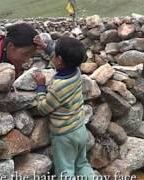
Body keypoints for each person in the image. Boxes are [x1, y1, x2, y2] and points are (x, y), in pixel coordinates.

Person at [33, 37, 95, 180]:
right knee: (82, 164)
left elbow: (43, 108)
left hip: (64, 136)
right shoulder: (76, 72)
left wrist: (41, 87)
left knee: (65, 171)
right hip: (79, 129)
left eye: (54, 53)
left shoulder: (58, 87)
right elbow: (59, 58)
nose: (52, 53)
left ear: (59, 60)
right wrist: (45, 47)